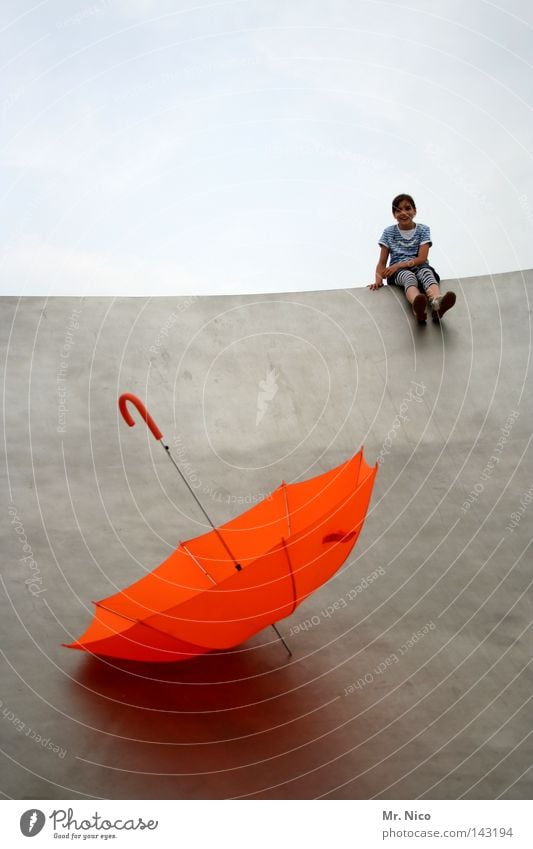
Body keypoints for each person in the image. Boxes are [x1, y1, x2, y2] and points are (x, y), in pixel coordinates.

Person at [369, 193, 456, 323]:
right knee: (408, 277)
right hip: (398, 272)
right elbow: (382, 262)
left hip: (417, 266)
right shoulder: (388, 232)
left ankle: (437, 303)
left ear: (414, 211)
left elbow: (422, 258)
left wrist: (398, 265)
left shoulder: (423, 230)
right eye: (398, 210)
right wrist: (378, 280)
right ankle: (417, 304)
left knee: (426, 272)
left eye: (407, 208)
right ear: (394, 215)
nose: (403, 213)